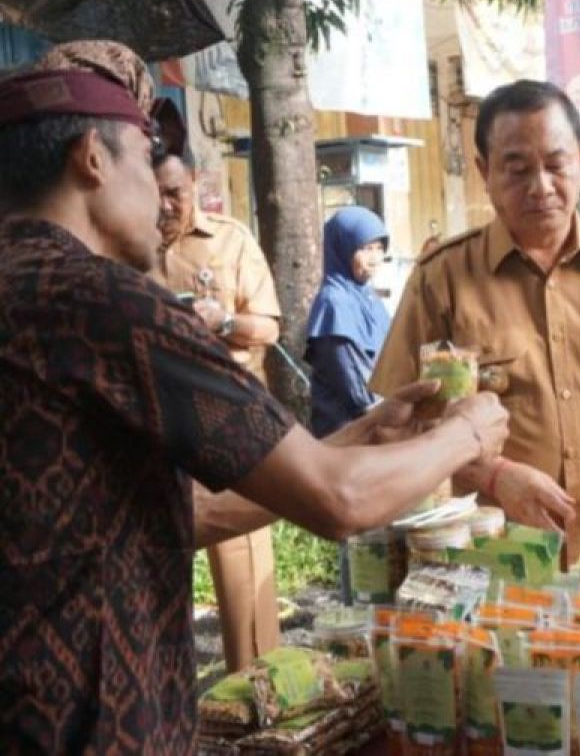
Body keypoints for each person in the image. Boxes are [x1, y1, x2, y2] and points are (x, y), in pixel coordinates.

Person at [0, 40, 509, 752]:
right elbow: (340, 502)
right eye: (145, 162)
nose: (162, 195)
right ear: (92, 157)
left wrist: (357, 436)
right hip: (94, 727)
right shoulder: (105, 301)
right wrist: (469, 433)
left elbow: (176, 512)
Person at [368, 79, 580, 562]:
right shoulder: (441, 281)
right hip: (493, 556)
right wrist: (492, 474)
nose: (541, 187)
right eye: (517, 169)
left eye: (556, 164)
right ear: (485, 172)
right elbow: (396, 426)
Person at [152, 135, 286, 670]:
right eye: (155, 194)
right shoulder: (122, 246)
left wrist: (224, 322)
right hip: (155, 427)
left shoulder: (230, 242)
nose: (165, 205)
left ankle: (257, 693)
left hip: (227, 427)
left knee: (241, 570)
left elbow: (269, 328)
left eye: (175, 192)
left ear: (195, 184)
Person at [305, 206, 391, 437]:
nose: (375, 259)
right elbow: (360, 389)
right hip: (349, 437)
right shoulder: (335, 304)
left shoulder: (368, 297)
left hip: (380, 426)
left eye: (379, 249)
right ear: (342, 250)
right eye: (365, 249)